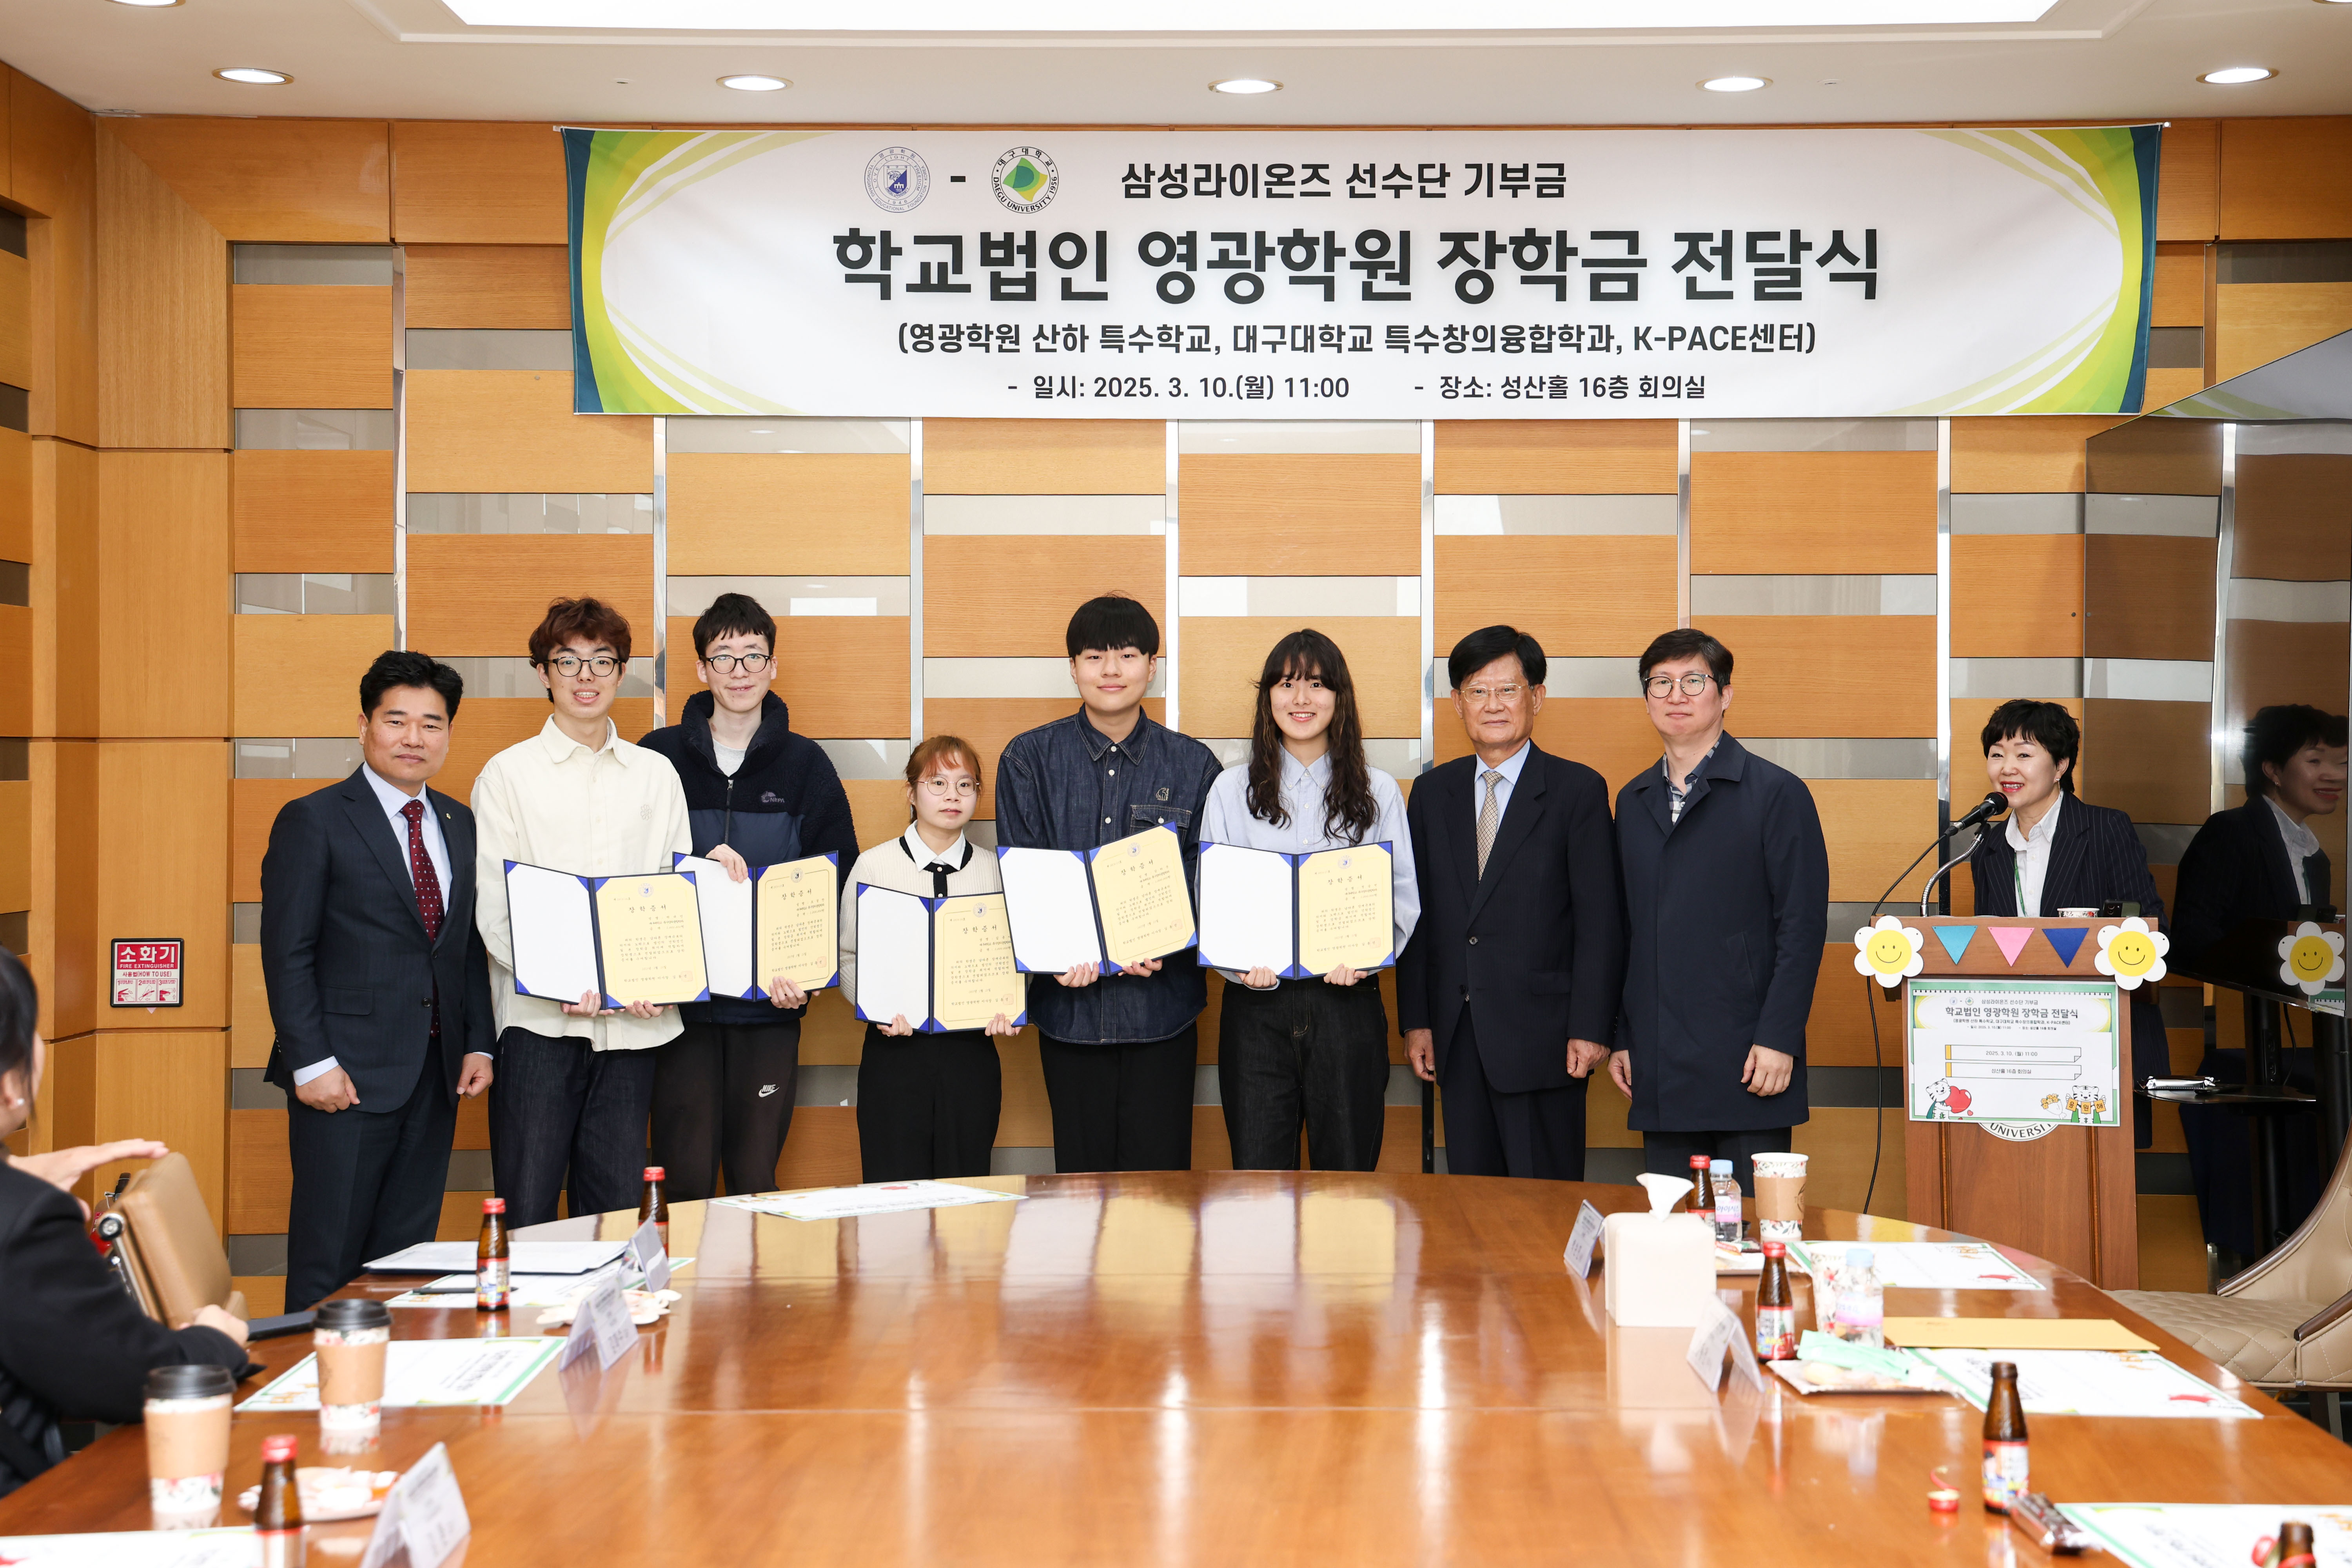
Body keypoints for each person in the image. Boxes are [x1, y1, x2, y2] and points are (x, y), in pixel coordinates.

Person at [259, 652, 495, 1310]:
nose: (413, 738)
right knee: (329, 1258)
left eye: (431, 724)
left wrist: (478, 1041)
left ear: (448, 733)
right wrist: (311, 1063)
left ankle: (388, 1372)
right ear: (364, 725)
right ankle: (309, 1375)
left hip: (434, 1075)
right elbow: (287, 952)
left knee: (405, 1260)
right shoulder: (314, 819)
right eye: (397, 721)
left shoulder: (458, 822)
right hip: (345, 1079)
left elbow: (463, 947)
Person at [472, 598, 691, 1227]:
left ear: (622, 672)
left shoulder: (656, 775)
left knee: (616, 1214)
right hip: (539, 1026)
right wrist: (561, 982)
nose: (586, 676)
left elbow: (673, 894)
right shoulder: (508, 775)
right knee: (529, 1207)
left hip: (634, 1028)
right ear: (544, 672)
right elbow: (494, 905)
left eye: (603, 661)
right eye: (568, 661)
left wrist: (660, 979)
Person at [0, 950, 250, 1498]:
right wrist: (216, 1342)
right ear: (10, 1082)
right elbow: (131, 1379)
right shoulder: (26, 1221)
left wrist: (15, 1173)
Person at [637, 593, 860, 1201]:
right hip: (681, 1010)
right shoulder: (658, 756)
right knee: (683, 1179)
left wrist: (811, 973)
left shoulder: (806, 764)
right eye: (724, 657)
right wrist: (694, 861)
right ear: (701, 668)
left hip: (770, 1009)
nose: (739, 671)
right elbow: (630, 865)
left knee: (756, 1180)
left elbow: (838, 875)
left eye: (753, 656)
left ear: (773, 666)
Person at [994, 594, 1220, 1173]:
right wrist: (1059, 953)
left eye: (1127, 655)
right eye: (1095, 657)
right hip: (1069, 1012)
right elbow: (1025, 878)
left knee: (1161, 1191)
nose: (1111, 670)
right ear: (1073, 668)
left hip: (1163, 1013)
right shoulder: (1028, 760)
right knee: (1081, 1188)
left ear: (1152, 665)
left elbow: (1206, 879)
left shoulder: (1194, 766)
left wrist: (1162, 941)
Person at [1399, 625, 1624, 1180]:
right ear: (1458, 704)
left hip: (1547, 1040)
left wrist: (1592, 1025)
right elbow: (1417, 917)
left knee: (1544, 1205)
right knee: (1471, 1205)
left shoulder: (1578, 791)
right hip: (1458, 1036)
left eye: (1507, 690)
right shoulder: (1432, 794)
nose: (1493, 705)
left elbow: (1601, 921)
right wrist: (1418, 1021)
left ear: (1537, 697)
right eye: (1478, 691)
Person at [1611, 628, 1828, 1194]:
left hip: (1749, 1058)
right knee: (1673, 1225)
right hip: (1660, 1059)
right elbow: (1626, 931)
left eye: (1693, 681)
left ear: (1725, 694)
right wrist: (1623, 1036)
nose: (1675, 695)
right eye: (1660, 683)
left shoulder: (1776, 793)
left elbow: (1802, 927)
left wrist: (1780, 1037)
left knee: (1750, 1227)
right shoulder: (1632, 802)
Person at [1203, 630, 1419, 1171]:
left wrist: (1366, 958)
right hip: (1255, 1008)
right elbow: (1212, 897)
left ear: (1340, 697)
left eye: (1318, 684)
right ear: (1267, 697)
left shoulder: (1378, 791)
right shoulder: (1229, 791)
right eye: (1287, 684)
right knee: (1258, 1182)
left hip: (1347, 1005)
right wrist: (1237, 966)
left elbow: (1402, 896)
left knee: (1347, 1183)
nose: (1301, 699)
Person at [2172, 704, 2348, 1261]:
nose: (2334, 775)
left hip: (2307, 1034)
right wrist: (2269, 955)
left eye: (2342, 763)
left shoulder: (2313, 854)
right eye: (2316, 760)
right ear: (2272, 769)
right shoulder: (2232, 833)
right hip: (2251, 1034)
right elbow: (2193, 936)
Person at [1966, 699, 2169, 1148]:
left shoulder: (2105, 829)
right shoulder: (1988, 849)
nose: (2007, 767)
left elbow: (2153, 935)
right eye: (1997, 754)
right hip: (2017, 1051)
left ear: (2060, 765)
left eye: (2024, 754)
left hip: (2099, 1047)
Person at [840, 736, 1018, 1181]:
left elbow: (1017, 957)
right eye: (937, 783)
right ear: (911, 792)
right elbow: (847, 954)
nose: (952, 795)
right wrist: (877, 1008)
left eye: (965, 784)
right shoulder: (873, 867)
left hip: (972, 1054)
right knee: (893, 1194)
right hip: (895, 1051)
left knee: (966, 1191)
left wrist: (1011, 1006)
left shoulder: (998, 871)